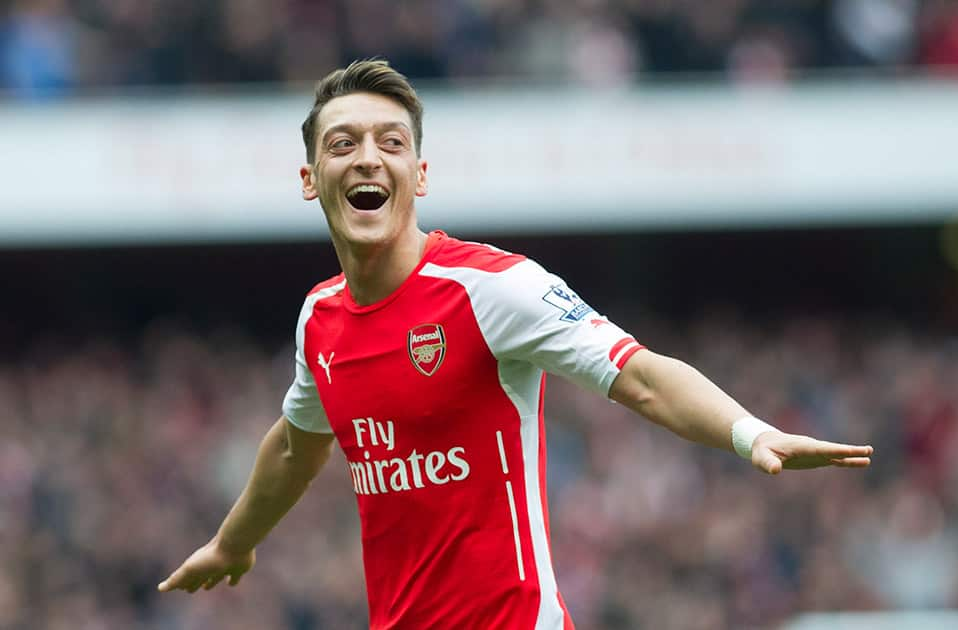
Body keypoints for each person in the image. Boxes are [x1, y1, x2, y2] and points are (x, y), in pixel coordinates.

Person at [158, 59, 874, 628]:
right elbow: (295, 443)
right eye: (343, 144)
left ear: (421, 175)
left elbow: (641, 375)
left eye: (392, 143)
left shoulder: (491, 289)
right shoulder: (320, 318)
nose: (369, 158)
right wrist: (234, 541)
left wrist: (750, 434)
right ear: (312, 180)